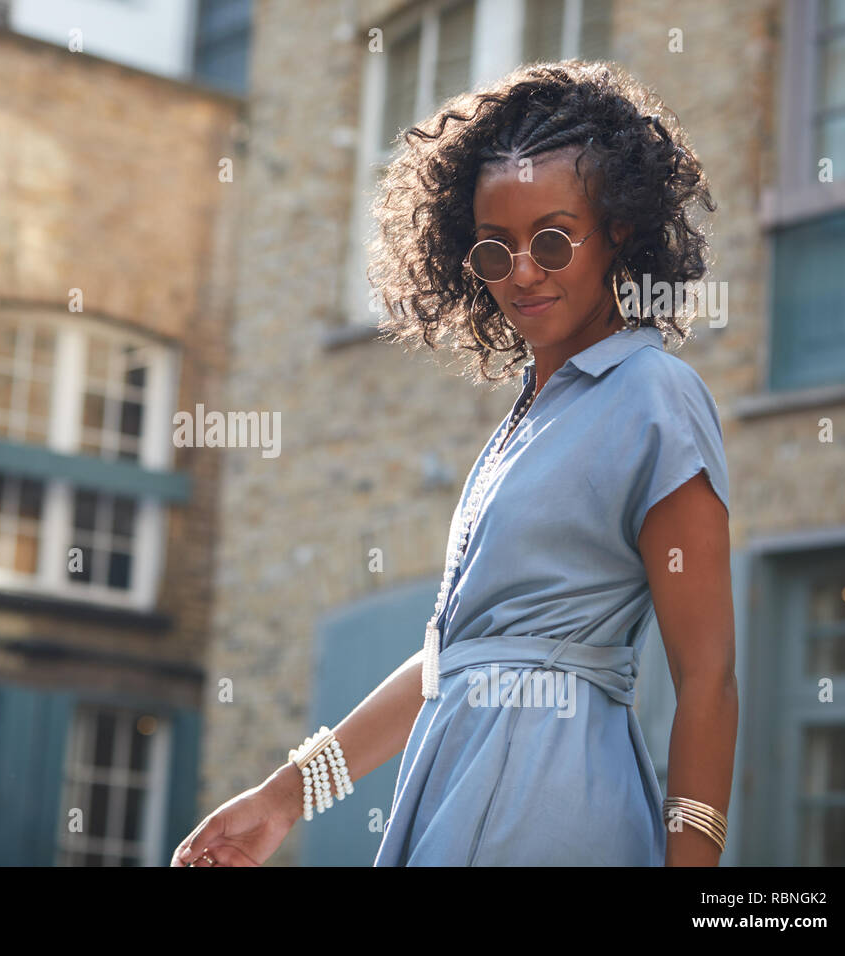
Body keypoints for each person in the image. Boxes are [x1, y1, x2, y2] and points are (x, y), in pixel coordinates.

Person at [171, 60, 735, 867]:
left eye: (551, 239)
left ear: (618, 228)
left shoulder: (654, 395)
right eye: (494, 251)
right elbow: (453, 662)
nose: (523, 274)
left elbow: (708, 675)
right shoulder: (527, 422)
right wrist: (282, 799)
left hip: (554, 804)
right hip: (451, 786)